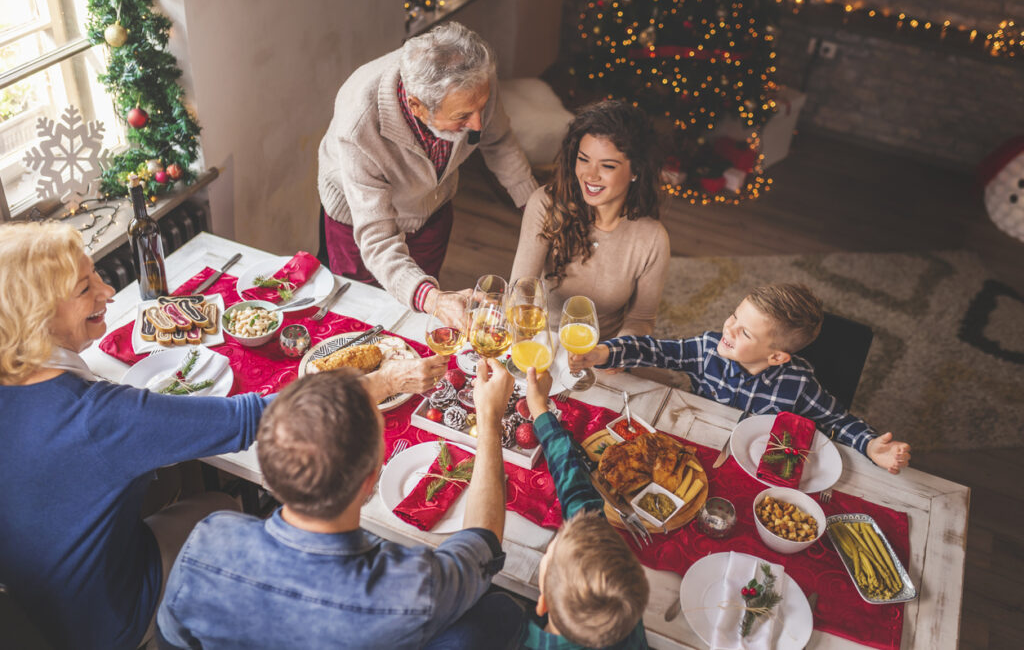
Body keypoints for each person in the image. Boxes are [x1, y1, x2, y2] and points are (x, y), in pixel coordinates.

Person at [0, 222, 446, 650]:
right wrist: (386, 381)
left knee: (186, 490)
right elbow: (259, 417)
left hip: (29, 605)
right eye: (84, 288)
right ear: (35, 316)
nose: (108, 292)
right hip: (102, 623)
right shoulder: (99, 419)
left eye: (96, 274)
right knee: (220, 507)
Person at [156, 360, 515, 649]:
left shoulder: (207, 539)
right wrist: (489, 421)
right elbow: (482, 542)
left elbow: (171, 640)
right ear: (371, 479)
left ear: (267, 467)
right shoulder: (411, 585)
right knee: (502, 613)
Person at [318, 21, 538, 324]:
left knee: (417, 309)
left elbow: (498, 142)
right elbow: (378, 241)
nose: (477, 124)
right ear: (417, 106)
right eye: (462, 117)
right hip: (358, 218)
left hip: (432, 205)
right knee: (364, 312)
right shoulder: (358, 123)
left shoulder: (474, 81)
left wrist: (535, 207)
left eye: (481, 109)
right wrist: (433, 300)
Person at [571, 284, 911, 473]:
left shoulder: (799, 384)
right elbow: (655, 351)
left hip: (756, 464)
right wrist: (603, 353)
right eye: (733, 315)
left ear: (777, 356)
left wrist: (869, 444)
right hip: (695, 445)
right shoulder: (707, 350)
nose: (728, 328)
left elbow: (836, 420)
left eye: (744, 331)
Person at [507, 367, 650, 648]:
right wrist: (541, 412)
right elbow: (578, 494)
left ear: (542, 601)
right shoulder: (624, 613)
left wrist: (539, 413)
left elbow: (575, 487)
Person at [509, 100, 670, 338]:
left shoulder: (652, 238)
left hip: (600, 356)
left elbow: (641, 320)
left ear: (635, 171)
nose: (590, 175)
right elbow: (520, 291)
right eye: (583, 159)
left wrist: (615, 352)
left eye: (607, 166)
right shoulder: (545, 204)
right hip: (539, 341)